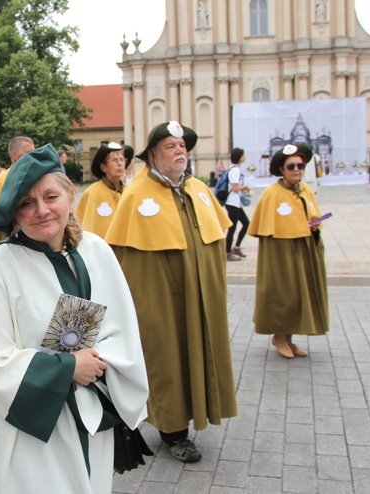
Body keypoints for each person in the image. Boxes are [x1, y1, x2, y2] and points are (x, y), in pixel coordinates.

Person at [0, 144, 149, 493]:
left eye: (51, 196)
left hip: (92, 409)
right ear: (14, 214)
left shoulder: (96, 252)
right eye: (27, 203)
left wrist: (98, 361)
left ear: (70, 196)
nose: (42, 210)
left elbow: (124, 331)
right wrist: (66, 368)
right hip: (29, 428)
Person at [105, 120, 237, 463]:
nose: (181, 152)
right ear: (152, 155)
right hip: (162, 301)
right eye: (171, 146)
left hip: (202, 299)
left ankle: (195, 414)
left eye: (183, 146)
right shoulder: (135, 194)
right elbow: (124, 259)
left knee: (200, 353)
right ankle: (172, 431)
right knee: (167, 358)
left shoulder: (200, 189)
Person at [248, 144, 328, 358]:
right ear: (281, 169)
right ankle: (280, 337)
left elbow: (315, 216)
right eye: (291, 166)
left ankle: (289, 338)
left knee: (301, 294)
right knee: (284, 293)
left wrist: (315, 224)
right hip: (281, 251)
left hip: (304, 248)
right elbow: (264, 226)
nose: (296, 170)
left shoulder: (305, 189)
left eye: (300, 165)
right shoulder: (272, 194)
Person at [0, 136, 35, 249]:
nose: (33, 156)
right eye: (29, 152)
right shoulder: (6, 179)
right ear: (15, 154)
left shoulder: (24, 175)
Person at [75, 142, 134, 238]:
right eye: (115, 160)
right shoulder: (93, 193)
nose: (120, 163)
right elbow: (87, 228)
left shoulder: (129, 191)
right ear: (103, 167)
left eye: (122, 159)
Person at [225, 148, 252, 261]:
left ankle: (236, 247)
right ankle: (227, 252)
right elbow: (234, 187)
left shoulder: (234, 169)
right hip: (233, 203)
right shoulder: (235, 170)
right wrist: (245, 187)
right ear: (239, 157)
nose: (244, 156)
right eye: (243, 154)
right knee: (232, 228)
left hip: (236, 203)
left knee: (246, 224)